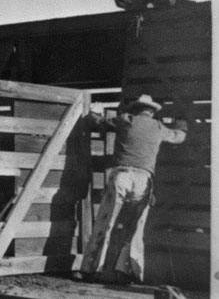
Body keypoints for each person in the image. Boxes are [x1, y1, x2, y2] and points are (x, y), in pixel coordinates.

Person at [79, 94, 188, 284]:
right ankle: (127, 271)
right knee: (134, 228)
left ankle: (91, 269)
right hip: (143, 180)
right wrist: (182, 123)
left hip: (122, 175)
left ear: (135, 108)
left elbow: (97, 122)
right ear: (152, 112)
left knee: (106, 222)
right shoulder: (159, 127)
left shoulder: (125, 120)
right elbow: (178, 137)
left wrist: (94, 111)